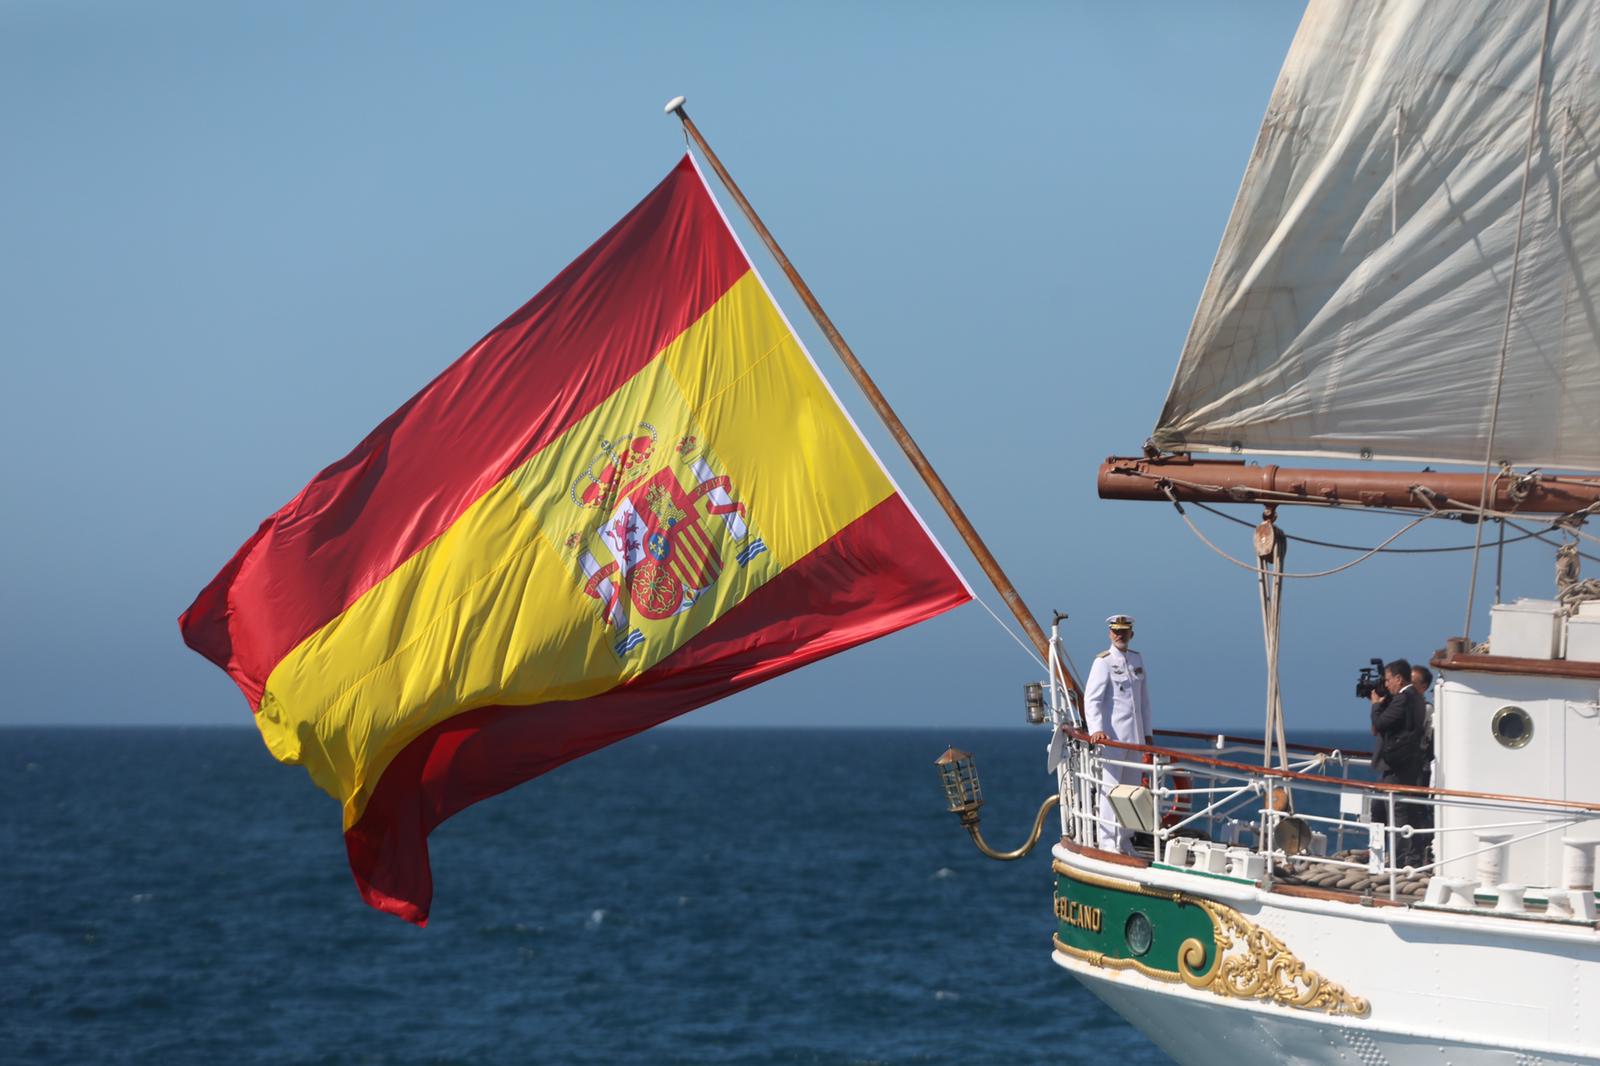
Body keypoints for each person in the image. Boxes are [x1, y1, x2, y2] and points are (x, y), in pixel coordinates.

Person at [1084, 614, 1153, 854]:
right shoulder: (1102, 662)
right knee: (1110, 789)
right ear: (1109, 633)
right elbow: (1092, 699)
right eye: (1116, 631)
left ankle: (1124, 840)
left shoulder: (1136, 659)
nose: (1119, 635)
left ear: (1131, 634)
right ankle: (1107, 841)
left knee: (1130, 790)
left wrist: (1147, 733)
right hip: (1112, 739)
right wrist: (1096, 729)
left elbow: (1143, 701)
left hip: (1134, 739)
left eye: (1123, 631)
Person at [1370, 659, 1427, 867]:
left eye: (1388, 680)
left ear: (1398, 679)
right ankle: (1383, 858)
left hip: (1396, 766)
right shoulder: (1417, 698)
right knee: (1382, 809)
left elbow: (1380, 723)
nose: (1386, 685)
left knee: (1397, 814)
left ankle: (1397, 863)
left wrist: (1376, 705)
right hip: (1405, 764)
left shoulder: (1403, 699)